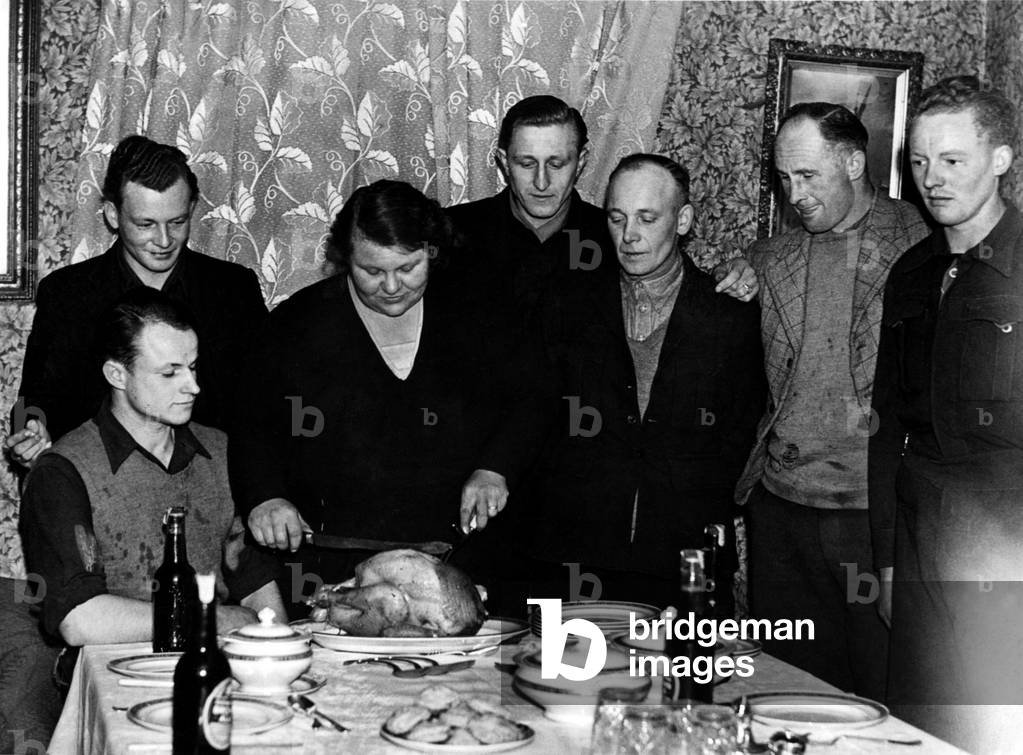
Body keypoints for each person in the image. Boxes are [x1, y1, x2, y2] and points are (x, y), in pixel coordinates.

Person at [229, 181, 537, 614]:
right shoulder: (296, 326)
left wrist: (495, 468)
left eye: (407, 268)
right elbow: (251, 426)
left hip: (457, 564)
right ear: (345, 258)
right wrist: (265, 497)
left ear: (431, 252)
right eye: (371, 271)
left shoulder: (477, 314)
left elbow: (529, 400)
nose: (391, 286)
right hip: (331, 568)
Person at [734, 102, 929, 699]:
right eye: (785, 179)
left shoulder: (923, 245)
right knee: (788, 693)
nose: (794, 194)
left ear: (851, 160)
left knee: (881, 695)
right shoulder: (771, 260)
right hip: (782, 514)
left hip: (874, 521)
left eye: (808, 176)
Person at [519, 154, 765, 608]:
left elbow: (744, 433)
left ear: (683, 219)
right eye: (617, 218)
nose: (629, 236)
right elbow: (533, 416)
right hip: (575, 558)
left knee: (681, 679)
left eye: (647, 218)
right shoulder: (566, 304)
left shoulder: (730, 314)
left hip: (684, 562)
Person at [870, 75, 1023, 752]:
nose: (930, 179)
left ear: (1000, 158)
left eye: (951, 160)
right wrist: (886, 557)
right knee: (919, 728)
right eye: (919, 161)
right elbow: (883, 426)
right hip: (920, 536)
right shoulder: (911, 271)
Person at [19, 289, 285, 658]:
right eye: (169, 373)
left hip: (220, 666)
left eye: (192, 367)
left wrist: (277, 650)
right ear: (117, 374)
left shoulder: (221, 451)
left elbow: (256, 581)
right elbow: (78, 619)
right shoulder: (63, 471)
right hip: (113, 674)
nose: (193, 387)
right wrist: (214, 620)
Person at [5, 134, 266, 466]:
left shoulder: (233, 289)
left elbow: (264, 400)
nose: (163, 240)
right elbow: (31, 401)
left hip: (210, 480)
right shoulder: (68, 292)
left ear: (192, 208)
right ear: (113, 215)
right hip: (100, 484)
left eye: (177, 222)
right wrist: (29, 430)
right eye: (145, 224)